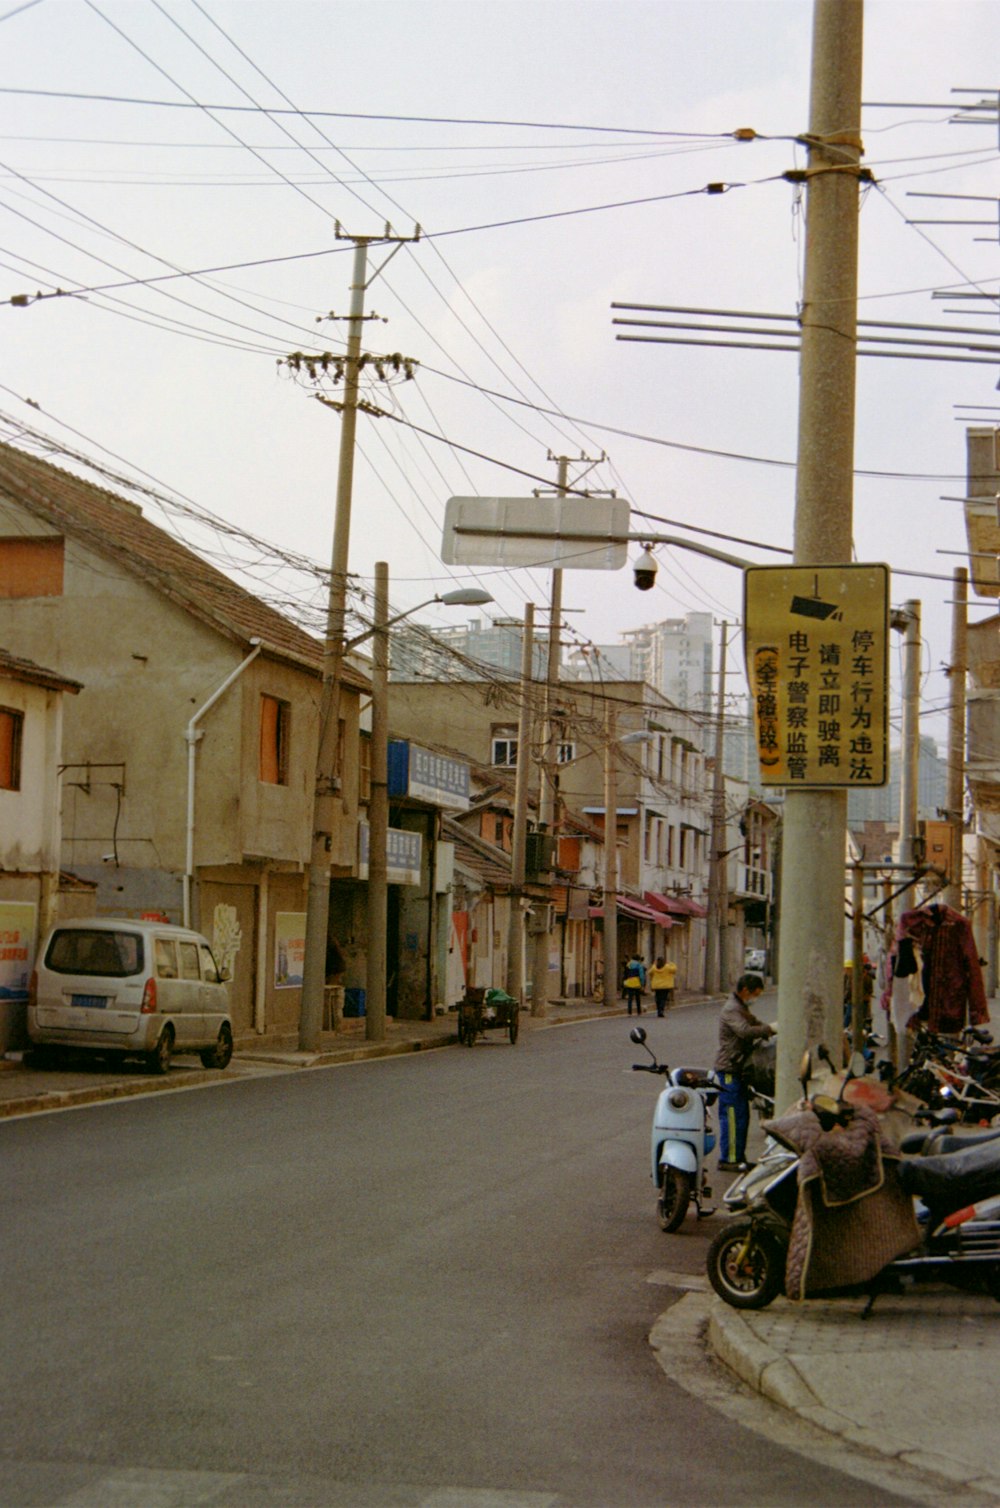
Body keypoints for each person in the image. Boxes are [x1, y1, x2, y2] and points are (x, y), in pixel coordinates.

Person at [714, 972, 774, 1171]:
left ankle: (738, 1157)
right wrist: (769, 1029)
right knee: (731, 1116)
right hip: (729, 1069)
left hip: (740, 1069)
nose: (755, 998)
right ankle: (729, 1159)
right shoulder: (732, 1009)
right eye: (755, 994)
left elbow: (755, 1023)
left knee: (741, 1116)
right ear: (746, 990)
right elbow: (745, 1031)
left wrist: (767, 1027)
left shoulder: (742, 1007)